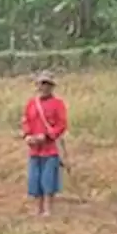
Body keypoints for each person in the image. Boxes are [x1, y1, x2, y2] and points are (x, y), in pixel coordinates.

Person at [21, 70, 68, 217]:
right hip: (34, 148)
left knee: (48, 179)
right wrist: (27, 136)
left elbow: (62, 124)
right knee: (35, 178)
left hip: (50, 148)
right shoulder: (31, 104)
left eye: (47, 84)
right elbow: (25, 121)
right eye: (42, 84)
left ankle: (48, 209)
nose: (44, 87)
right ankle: (38, 208)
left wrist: (47, 136)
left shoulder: (58, 104)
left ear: (52, 87)